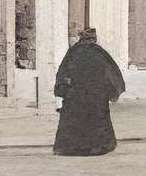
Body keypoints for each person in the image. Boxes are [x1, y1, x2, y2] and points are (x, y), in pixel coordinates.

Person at [51, 25, 125, 156]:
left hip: (75, 94)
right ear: (94, 39)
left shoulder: (73, 52)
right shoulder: (99, 53)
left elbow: (62, 73)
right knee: (96, 120)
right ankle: (96, 147)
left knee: (74, 120)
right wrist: (112, 92)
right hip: (96, 95)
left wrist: (62, 91)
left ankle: (72, 148)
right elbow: (112, 73)